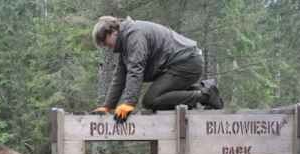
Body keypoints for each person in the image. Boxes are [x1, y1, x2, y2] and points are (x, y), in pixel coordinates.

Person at [92, 16, 224, 123]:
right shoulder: (126, 45)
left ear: (113, 32)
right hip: (180, 64)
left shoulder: (134, 35)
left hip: (188, 63)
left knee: (150, 100)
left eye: (106, 43)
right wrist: (108, 106)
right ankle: (203, 90)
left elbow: (135, 70)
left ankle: (205, 96)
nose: (108, 47)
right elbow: (119, 77)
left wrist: (129, 103)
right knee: (156, 98)